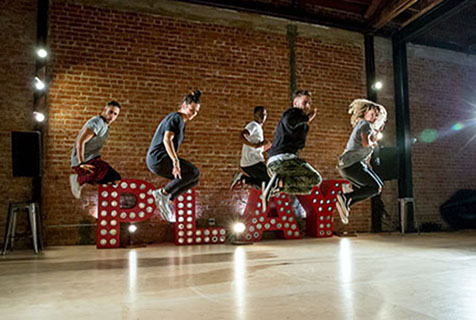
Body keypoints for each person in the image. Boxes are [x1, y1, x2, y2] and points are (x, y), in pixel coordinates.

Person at [147, 90, 201, 223]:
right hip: (158, 158)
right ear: (184, 106)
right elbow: (167, 140)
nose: (193, 114)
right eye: (191, 110)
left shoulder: (181, 121)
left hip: (159, 160)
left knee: (193, 179)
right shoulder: (176, 118)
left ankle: (168, 199)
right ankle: (162, 194)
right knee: (193, 172)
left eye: (196, 112)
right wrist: (175, 162)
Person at [336, 99, 387, 224]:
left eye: (376, 115)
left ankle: (347, 197)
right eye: (372, 114)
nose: (374, 117)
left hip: (347, 166)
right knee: (376, 187)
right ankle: (347, 195)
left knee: (375, 187)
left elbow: (366, 156)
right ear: (365, 113)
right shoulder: (365, 124)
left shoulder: (365, 127)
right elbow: (365, 143)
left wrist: (375, 135)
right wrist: (374, 141)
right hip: (352, 165)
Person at [265, 90, 322, 199]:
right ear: (295, 103)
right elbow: (289, 121)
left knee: (309, 187)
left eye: (309, 103)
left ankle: (279, 186)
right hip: (282, 161)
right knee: (316, 179)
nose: (308, 106)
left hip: (276, 165)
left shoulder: (303, 125)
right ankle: (279, 183)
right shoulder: (291, 113)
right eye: (305, 102)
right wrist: (308, 118)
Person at [70, 101, 122, 199]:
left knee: (112, 180)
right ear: (104, 110)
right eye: (110, 112)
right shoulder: (97, 122)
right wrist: (81, 163)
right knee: (115, 178)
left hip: (92, 159)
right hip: (86, 161)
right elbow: (80, 142)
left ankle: (82, 179)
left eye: (115, 114)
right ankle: (78, 179)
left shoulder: (105, 125)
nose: (112, 116)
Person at [230, 106, 272, 190]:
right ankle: (242, 178)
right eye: (260, 114)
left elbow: (256, 148)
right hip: (252, 162)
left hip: (252, 162)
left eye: (264, 114)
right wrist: (255, 145)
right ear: (255, 115)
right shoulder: (254, 125)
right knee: (270, 182)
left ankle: (243, 179)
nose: (263, 116)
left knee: (267, 184)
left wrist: (264, 146)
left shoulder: (259, 128)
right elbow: (242, 136)